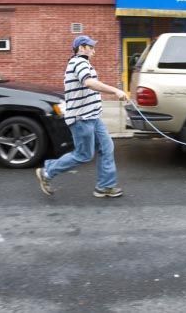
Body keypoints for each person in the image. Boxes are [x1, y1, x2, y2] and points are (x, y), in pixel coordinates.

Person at [36, 35, 128, 197]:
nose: (94, 50)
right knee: (83, 155)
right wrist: (115, 90)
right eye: (91, 47)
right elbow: (89, 83)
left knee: (107, 147)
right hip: (81, 119)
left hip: (92, 117)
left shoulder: (84, 64)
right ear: (81, 48)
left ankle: (105, 186)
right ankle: (47, 172)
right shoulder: (78, 62)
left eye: (93, 47)